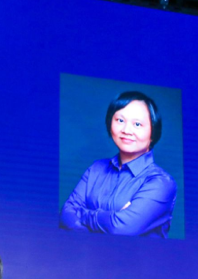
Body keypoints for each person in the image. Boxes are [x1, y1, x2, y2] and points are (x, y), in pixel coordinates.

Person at [60, 91, 177, 238]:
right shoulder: (96, 169)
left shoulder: (161, 183)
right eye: (120, 120)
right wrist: (112, 217)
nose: (126, 130)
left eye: (137, 124)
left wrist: (83, 214)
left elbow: (121, 229)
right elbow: (65, 214)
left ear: (153, 132)